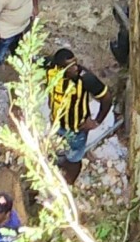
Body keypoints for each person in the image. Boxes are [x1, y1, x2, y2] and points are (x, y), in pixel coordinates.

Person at [46, 48, 113, 185]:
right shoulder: (50, 70)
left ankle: (69, 182)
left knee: (74, 158)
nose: (75, 68)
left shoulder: (85, 79)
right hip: (56, 123)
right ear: (60, 68)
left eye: (75, 63)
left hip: (77, 129)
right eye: (70, 66)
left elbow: (106, 98)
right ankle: (61, 162)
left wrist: (96, 122)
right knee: (58, 148)